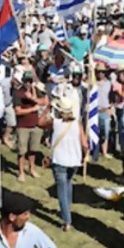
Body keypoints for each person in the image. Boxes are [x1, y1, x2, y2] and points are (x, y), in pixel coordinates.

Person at [48, 97, 87, 232]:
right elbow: (85, 144)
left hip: (59, 161)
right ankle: (67, 210)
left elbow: (41, 121)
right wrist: (84, 155)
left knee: (62, 190)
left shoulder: (55, 123)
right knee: (68, 185)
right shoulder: (78, 124)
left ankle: (67, 220)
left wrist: (48, 109)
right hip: (74, 161)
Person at [13, 73, 45, 182]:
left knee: (33, 149)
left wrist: (33, 98)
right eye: (26, 81)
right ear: (23, 80)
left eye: (30, 81)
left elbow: (44, 101)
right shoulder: (18, 92)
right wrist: (33, 109)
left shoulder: (36, 90)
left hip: (35, 125)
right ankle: (21, 172)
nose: (28, 83)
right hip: (23, 126)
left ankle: (32, 169)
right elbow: (18, 111)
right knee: (22, 151)